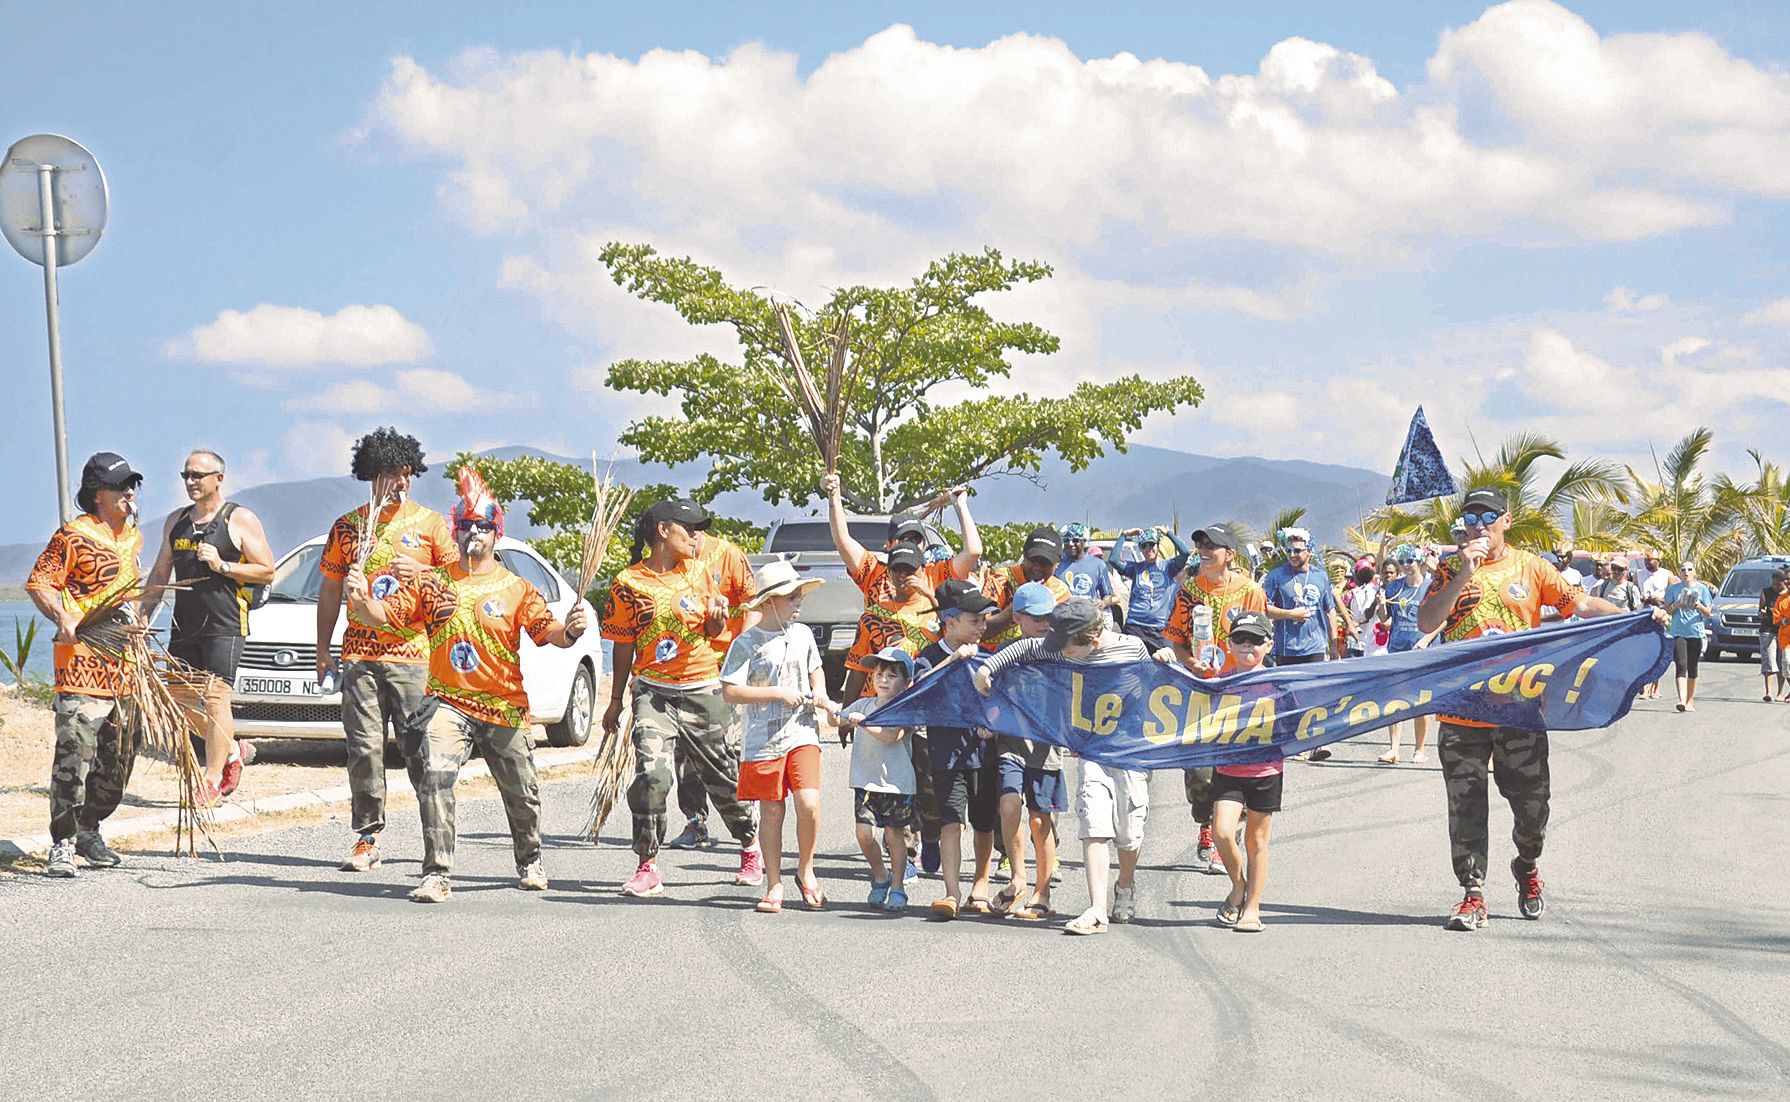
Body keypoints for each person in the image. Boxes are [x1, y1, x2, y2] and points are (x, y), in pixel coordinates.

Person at [345, 471, 588, 903]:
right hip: (447, 702)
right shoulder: (433, 582)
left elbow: (548, 632)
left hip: (503, 706)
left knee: (522, 793)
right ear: (455, 531)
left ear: (497, 533)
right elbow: (384, 616)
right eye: (466, 525)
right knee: (434, 776)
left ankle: (530, 858)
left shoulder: (516, 588)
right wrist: (362, 599)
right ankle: (437, 873)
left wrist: (570, 631)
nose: (474, 533)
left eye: (483, 526)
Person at [1417, 488, 1642, 931]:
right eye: (1470, 518)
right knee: (1465, 806)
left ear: (1507, 520)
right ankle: (1472, 894)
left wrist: (1631, 617)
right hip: (1461, 711)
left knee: (1533, 807)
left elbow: (1579, 605)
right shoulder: (1449, 568)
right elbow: (1427, 622)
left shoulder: (1532, 567)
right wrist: (1463, 574)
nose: (1478, 526)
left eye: (1487, 517)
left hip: (1518, 710)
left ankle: (1526, 863)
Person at [316, 428, 459, 873]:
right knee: (363, 748)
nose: (401, 481)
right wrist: (322, 649)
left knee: (420, 751)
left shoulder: (430, 525)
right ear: (372, 475)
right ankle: (367, 837)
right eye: (391, 473)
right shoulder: (348, 527)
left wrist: (423, 571)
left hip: (415, 657)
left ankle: (434, 838)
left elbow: (457, 585)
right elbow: (329, 589)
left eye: (406, 472)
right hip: (360, 656)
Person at [980, 598, 1167, 936]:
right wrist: (987, 669)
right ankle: (1096, 909)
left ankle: (1125, 884)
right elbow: (1023, 648)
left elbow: (1155, 687)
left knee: (1128, 835)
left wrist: (1164, 662)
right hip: (1091, 750)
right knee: (1093, 824)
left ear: (1091, 641)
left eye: (1066, 648)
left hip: (1129, 753)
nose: (1059, 653)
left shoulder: (1131, 648)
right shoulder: (1062, 648)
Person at [603, 498, 761, 897]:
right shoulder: (628, 582)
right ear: (663, 530)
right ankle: (647, 865)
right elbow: (623, 644)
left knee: (723, 778)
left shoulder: (699, 572)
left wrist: (718, 620)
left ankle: (750, 845)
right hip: (653, 692)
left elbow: (710, 631)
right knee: (652, 776)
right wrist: (616, 700)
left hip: (703, 689)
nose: (696, 537)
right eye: (688, 529)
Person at [27, 453, 145, 878]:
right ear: (98, 495)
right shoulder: (72, 536)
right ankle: (62, 842)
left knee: (119, 759)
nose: (129, 492)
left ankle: (89, 829)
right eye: (120, 486)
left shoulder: (133, 537)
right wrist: (64, 618)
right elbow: (40, 583)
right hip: (81, 664)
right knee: (74, 754)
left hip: (125, 668)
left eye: (132, 485)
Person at [138, 449, 276, 801]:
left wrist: (223, 566)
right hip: (185, 624)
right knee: (178, 701)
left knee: (216, 699)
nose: (190, 481)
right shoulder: (177, 521)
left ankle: (211, 780)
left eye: (197, 475)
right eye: (186, 475)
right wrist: (143, 615)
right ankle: (232, 749)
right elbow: (160, 572)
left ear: (219, 478)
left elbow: (267, 570)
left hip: (225, 623)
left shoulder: (239, 519)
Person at [720, 560, 834, 914]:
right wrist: (776, 693)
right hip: (763, 739)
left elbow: (816, 671)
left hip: (802, 731)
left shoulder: (803, 635)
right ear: (769, 601)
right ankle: (774, 883)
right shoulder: (746, 643)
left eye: (800, 595)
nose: (798, 602)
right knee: (771, 810)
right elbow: (730, 691)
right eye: (791, 597)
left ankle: (806, 869)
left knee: (809, 803)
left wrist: (820, 693)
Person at [1164, 522, 1267, 872]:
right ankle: (1205, 821)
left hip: (1239, 692)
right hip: (1199, 690)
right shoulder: (1189, 590)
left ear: (1230, 555)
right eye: (1201, 545)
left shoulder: (1250, 591)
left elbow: (1262, 641)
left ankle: (1227, 835)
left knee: (1237, 764)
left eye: (1212, 546)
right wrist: (1190, 662)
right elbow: (1175, 639)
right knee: (1199, 769)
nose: (1204, 551)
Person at [973, 581, 1069, 919]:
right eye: (1036, 617)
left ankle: (1043, 893)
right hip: (1011, 743)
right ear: (1017, 618)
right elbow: (988, 686)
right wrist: (990, 717)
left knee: (1041, 820)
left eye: (1049, 617)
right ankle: (1018, 878)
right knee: (1009, 804)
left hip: (1046, 746)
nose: (1044, 624)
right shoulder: (1008, 650)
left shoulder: (1061, 651)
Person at [665, 525, 759, 851]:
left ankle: (747, 819)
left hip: (725, 670)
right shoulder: (673, 559)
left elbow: (753, 604)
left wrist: (742, 652)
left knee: (729, 749)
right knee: (685, 749)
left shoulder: (728, 555)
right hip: (687, 671)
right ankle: (695, 821)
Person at [915, 579, 1002, 918]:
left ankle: (980, 883)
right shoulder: (929, 656)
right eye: (974, 620)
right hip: (945, 754)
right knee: (951, 822)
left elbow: (1001, 700)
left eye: (984, 620)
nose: (982, 627)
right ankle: (951, 892)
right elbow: (919, 689)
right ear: (949, 622)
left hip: (984, 752)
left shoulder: (990, 656)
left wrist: (992, 724)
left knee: (983, 822)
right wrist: (952, 660)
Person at [1208, 611, 1281, 933]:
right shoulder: (1219, 681)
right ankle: (1239, 885)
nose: (1247, 645)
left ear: (1269, 645)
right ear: (1229, 644)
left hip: (1266, 770)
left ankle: (1252, 908)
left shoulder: (1280, 683)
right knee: (1222, 833)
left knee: (1256, 841)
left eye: (1255, 639)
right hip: (1229, 769)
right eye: (1240, 638)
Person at [843, 647, 920, 912]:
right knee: (864, 835)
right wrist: (827, 707)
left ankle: (897, 887)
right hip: (865, 781)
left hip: (897, 784)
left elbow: (890, 737)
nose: (883, 679)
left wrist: (864, 723)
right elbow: (837, 717)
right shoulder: (863, 705)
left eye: (891, 675)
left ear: (906, 682)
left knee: (894, 835)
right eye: (878, 674)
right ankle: (880, 875)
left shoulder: (905, 709)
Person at [1261, 527, 1337, 761]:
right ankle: (1295, 743)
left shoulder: (1320, 576)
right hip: (1288, 647)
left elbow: (1330, 609)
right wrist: (1290, 614)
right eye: (1289, 551)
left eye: (1297, 550)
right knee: (1290, 697)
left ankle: (1317, 742)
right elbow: (1264, 608)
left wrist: (1334, 643)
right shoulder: (1276, 576)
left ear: (1309, 551)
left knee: (1315, 694)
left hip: (1316, 645)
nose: (1292, 555)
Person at [1378, 544, 1434, 765]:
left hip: (1423, 651)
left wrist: (1426, 639)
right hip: (1398, 648)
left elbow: (1444, 618)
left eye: (1409, 561)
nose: (1405, 565)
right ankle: (1393, 749)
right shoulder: (1394, 587)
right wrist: (1381, 605)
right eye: (1402, 562)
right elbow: (1385, 619)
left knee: (1421, 702)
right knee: (1395, 699)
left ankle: (1420, 749)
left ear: (1419, 562)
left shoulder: (1431, 586)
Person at [980, 527, 1073, 650]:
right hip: (993, 654)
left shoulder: (1060, 590)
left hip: (1040, 656)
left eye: (1045, 563)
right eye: (1033, 560)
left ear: (1058, 563)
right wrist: (1019, 604)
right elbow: (981, 631)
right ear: (1024, 556)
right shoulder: (1002, 580)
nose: (1038, 567)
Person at [1111, 526, 1192, 654]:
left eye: (1152, 544)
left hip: (1158, 629)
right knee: (1132, 664)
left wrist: (1168, 533)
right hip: (1135, 626)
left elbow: (1186, 553)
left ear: (1157, 545)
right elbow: (1113, 560)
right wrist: (1124, 535)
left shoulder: (1169, 566)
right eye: (1144, 546)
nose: (1149, 548)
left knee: (1162, 663)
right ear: (1141, 549)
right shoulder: (1136, 568)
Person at [1664, 564, 1714, 713]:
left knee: (1692, 666)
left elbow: (1708, 612)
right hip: (1678, 632)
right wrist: (1676, 605)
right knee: (1681, 664)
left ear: (1695, 572)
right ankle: (1681, 700)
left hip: (1695, 632)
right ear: (1679, 573)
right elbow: (1666, 610)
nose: (1686, 572)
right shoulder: (1673, 589)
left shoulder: (1702, 589)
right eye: (1683, 570)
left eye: (1689, 569)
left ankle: (1690, 700)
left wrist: (1699, 606)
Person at [1054, 523, 1120, 623]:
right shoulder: (1056, 565)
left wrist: (1102, 604)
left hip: (1087, 621)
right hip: (1063, 621)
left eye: (1075, 540)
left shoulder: (1098, 565)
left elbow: (1108, 595)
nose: (1071, 544)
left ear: (1084, 541)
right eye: (1066, 540)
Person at [1636, 553, 1670, 700]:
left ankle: (1655, 686)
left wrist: (1659, 599)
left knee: (1657, 651)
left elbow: (1671, 597)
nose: (1648, 562)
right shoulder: (1638, 574)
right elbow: (1634, 592)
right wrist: (1643, 598)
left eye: (1651, 560)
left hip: (1659, 615)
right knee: (1643, 652)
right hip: (1643, 615)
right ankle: (1644, 686)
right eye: (1646, 560)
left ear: (1659, 561)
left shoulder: (1666, 575)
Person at [1343, 557, 1385, 659]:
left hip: (1370, 644)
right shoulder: (1352, 593)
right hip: (1357, 643)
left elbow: (1366, 614)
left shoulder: (1375, 591)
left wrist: (1356, 622)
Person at [1761, 572, 1787, 703]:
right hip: (1768, 630)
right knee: (1769, 660)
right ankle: (1768, 692)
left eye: (1778, 584)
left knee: (1782, 662)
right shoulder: (1766, 592)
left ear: (1785, 582)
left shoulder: (1787, 595)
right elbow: (1760, 610)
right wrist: (1763, 613)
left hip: (1784, 631)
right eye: (1773, 584)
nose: (1775, 586)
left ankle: (1780, 692)